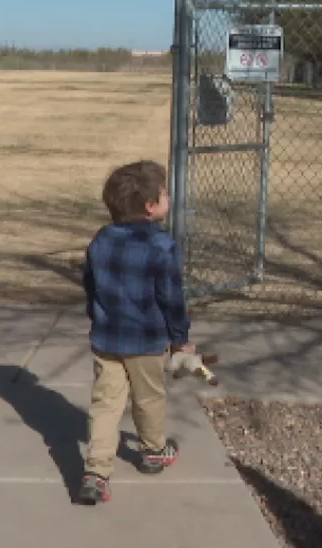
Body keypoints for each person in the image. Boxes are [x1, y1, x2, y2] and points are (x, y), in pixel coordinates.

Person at [77, 160, 192, 504]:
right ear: (150, 205)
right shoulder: (162, 247)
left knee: (106, 403)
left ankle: (96, 472)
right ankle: (153, 451)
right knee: (149, 397)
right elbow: (171, 299)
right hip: (147, 340)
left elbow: (90, 286)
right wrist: (180, 339)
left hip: (107, 338)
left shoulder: (101, 240)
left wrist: (95, 318)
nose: (168, 197)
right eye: (165, 193)